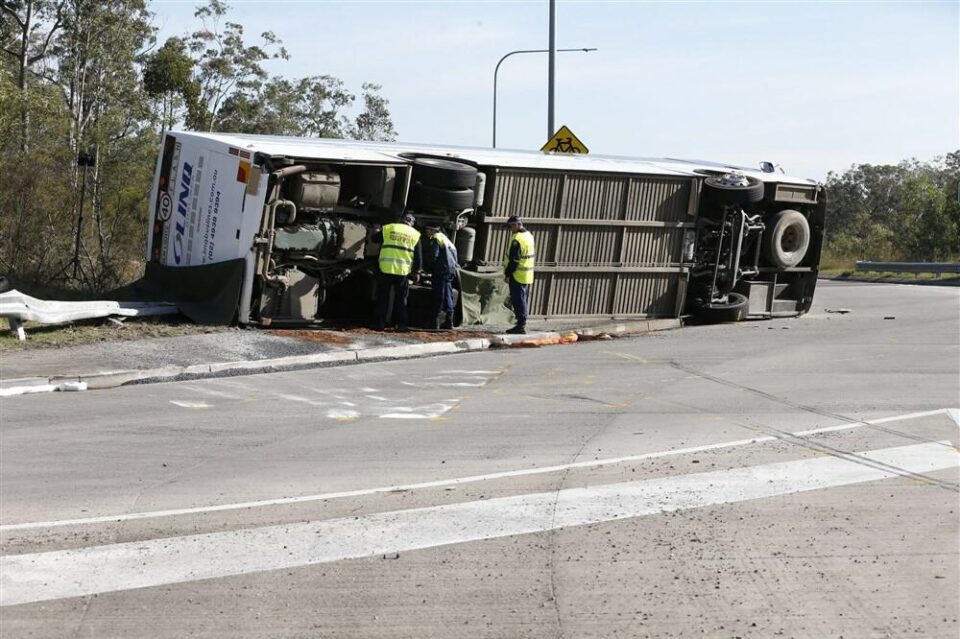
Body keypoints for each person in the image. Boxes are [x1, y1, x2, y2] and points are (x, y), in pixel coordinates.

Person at [374, 213, 421, 331]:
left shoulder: (389, 228)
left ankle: (380, 323)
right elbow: (418, 256)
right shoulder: (415, 234)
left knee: (382, 296)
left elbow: (374, 239)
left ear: (401, 220)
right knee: (401, 299)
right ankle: (401, 324)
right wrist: (417, 272)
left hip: (385, 268)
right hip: (402, 271)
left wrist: (376, 229)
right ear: (411, 223)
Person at [502, 215, 535, 334]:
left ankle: (520, 325)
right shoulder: (528, 236)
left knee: (518, 300)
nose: (511, 229)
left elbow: (514, 260)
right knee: (522, 299)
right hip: (526, 274)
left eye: (511, 226)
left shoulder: (517, 239)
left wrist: (508, 274)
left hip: (517, 274)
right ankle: (521, 323)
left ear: (517, 225)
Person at [423, 224, 458, 329]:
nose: (426, 233)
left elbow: (434, 255)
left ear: (432, 230)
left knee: (439, 295)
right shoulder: (446, 240)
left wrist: (428, 268)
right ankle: (449, 321)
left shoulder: (436, 239)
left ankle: (434, 322)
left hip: (441, 270)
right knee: (448, 294)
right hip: (450, 269)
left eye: (427, 230)